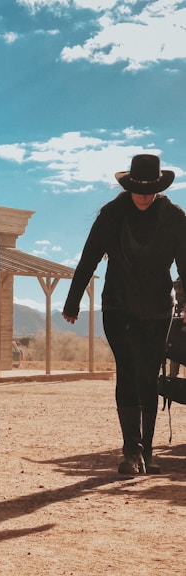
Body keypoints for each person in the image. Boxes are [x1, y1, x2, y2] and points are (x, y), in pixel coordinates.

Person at [62, 154, 186, 475]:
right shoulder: (112, 215)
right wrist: (73, 302)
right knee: (128, 369)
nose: (144, 195)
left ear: (159, 187)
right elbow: (88, 258)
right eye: (138, 189)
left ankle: (148, 449)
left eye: (150, 189)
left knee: (148, 376)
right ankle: (131, 451)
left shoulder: (174, 218)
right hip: (118, 306)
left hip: (159, 308)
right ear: (129, 186)